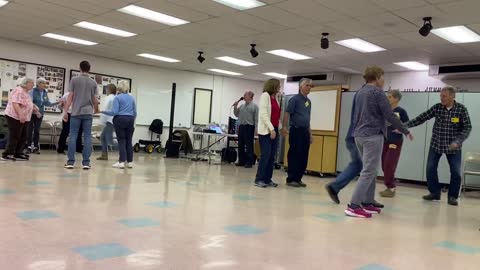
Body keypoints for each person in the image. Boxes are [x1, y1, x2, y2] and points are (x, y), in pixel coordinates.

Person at [345, 66, 412, 218]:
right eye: (382, 77)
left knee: (371, 170)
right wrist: (405, 130)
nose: (383, 80)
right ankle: (353, 206)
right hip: (372, 136)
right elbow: (389, 115)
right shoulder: (378, 92)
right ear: (376, 77)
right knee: (369, 171)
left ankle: (368, 202)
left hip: (360, 136)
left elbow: (358, 114)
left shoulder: (360, 92)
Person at [407, 86, 471, 206]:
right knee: (430, 168)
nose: (441, 98)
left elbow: (467, 127)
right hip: (436, 143)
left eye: (444, 96)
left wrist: (458, 141)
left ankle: (452, 196)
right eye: (440, 96)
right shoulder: (437, 108)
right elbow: (422, 118)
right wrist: (405, 126)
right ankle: (435, 193)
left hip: (454, 147)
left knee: (456, 172)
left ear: (453, 96)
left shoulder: (461, 109)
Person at [63, 61, 99, 170]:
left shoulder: (74, 80)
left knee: (73, 136)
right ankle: (86, 163)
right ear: (89, 68)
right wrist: (96, 109)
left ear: (80, 68)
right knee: (87, 137)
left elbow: (70, 97)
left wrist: (65, 111)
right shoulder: (93, 83)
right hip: (88, 112)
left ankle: (70, 162)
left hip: (76, 112)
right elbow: (95, 99)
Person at [281, 78, 313, 188]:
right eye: (307, 85)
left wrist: (310, 134)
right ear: (301, 87)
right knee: (295, 154)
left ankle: (298, 178)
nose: (309, 88)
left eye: (310, 86)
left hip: (305, 132)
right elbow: (287, 113)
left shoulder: (308, 102)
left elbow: (307, 119)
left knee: (304, 155)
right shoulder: (294, 99)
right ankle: (291, 179)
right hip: (296, 130)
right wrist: (284, 127)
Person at [379, 89, 409, 198]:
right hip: (384, 141)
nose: (388, 98)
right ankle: (389, 187)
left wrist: (401, 129)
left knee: (389, 164)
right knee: (383, 165)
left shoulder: (401, 111)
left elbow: (407, 123)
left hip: (395, 141)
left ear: (396, 99)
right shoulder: (385, 110)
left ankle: (391, 187)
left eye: (390, 97)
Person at [1, 77, 40, 161]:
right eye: (32, 83)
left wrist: (34, 107)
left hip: (24, 118)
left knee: (23, 136)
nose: (33, 85)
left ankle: (18, 153)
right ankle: (7, 154)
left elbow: (27, 103)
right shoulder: (18, 90)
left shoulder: (26, 92)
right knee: (14, 135)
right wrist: (21, 114)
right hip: (14, 116)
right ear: (26, 83)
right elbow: (15, 103)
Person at [101, 80, 136, 169]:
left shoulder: (117, 97)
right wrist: (132, 120)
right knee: (129, 141)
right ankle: (130, 162)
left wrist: (102, 111)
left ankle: (121, 162)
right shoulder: (132, 98)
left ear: (119, 88)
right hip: (130, 119)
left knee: (121, 141)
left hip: (120, 119)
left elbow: (114, 112)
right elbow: (135, 112)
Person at [254, 79, 281, 188]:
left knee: (272, 156)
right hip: (266, 130)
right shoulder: (265, 96)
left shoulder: (276, 98)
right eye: (278, 86)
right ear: (273, 86)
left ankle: (267, 179)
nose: (280, 88)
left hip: (274, 129)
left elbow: (276, 116)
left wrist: (279, 128)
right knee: (266, 154)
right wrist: (271, 129)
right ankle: (259, 179)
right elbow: (264, 115)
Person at [27, 77, 58, 154]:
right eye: (43, 83)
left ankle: (36, 147)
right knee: (29, 130)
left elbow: (47, 103)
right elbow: (29, 102)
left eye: (45, 83)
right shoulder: (32, 91)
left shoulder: (44, 92)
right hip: (31, 113)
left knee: (37, 131)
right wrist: (35, 110)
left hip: (40, 115)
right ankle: (28, 147)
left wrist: (57, 103)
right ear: (38, 84)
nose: (45, 85)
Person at [233, 90, 258, 168]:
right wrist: (235, 106)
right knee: (240, 144)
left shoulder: (255, 106)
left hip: (249, 127)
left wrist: (256, 129)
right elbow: (236, 115)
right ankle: (241, 161)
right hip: (242, 127)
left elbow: (256, 119)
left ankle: (249, 162)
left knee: (249, 145)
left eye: (245, 95)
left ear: (250, 96)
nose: (243, 96)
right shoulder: (242, 106)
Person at [97, 84, 117, 160]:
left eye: (106, 89)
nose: (105, 90)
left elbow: (105, 110)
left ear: (109, 90)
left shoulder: (109, 98)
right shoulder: (114, 98)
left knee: (109, 140)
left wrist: (102, 120)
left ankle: (124, 148)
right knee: (103, 138)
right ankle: (104, 155)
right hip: (111, 121)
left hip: (110, 121)